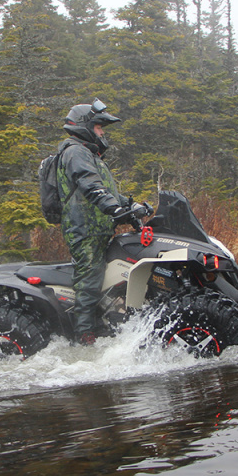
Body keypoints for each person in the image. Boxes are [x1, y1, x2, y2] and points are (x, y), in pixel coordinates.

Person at [56, 99, 150, 345]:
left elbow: (107, 191)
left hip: (98, 228)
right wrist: (115, 209)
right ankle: (84, 337)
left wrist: (132, 207)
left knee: (110, 277)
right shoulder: (75, 152)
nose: (102, 131)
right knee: (91, 279)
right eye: (99, 126)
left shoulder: (90, 155)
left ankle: (106, 323)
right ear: (85, 125)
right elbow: (89, 185)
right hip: (84, 229)